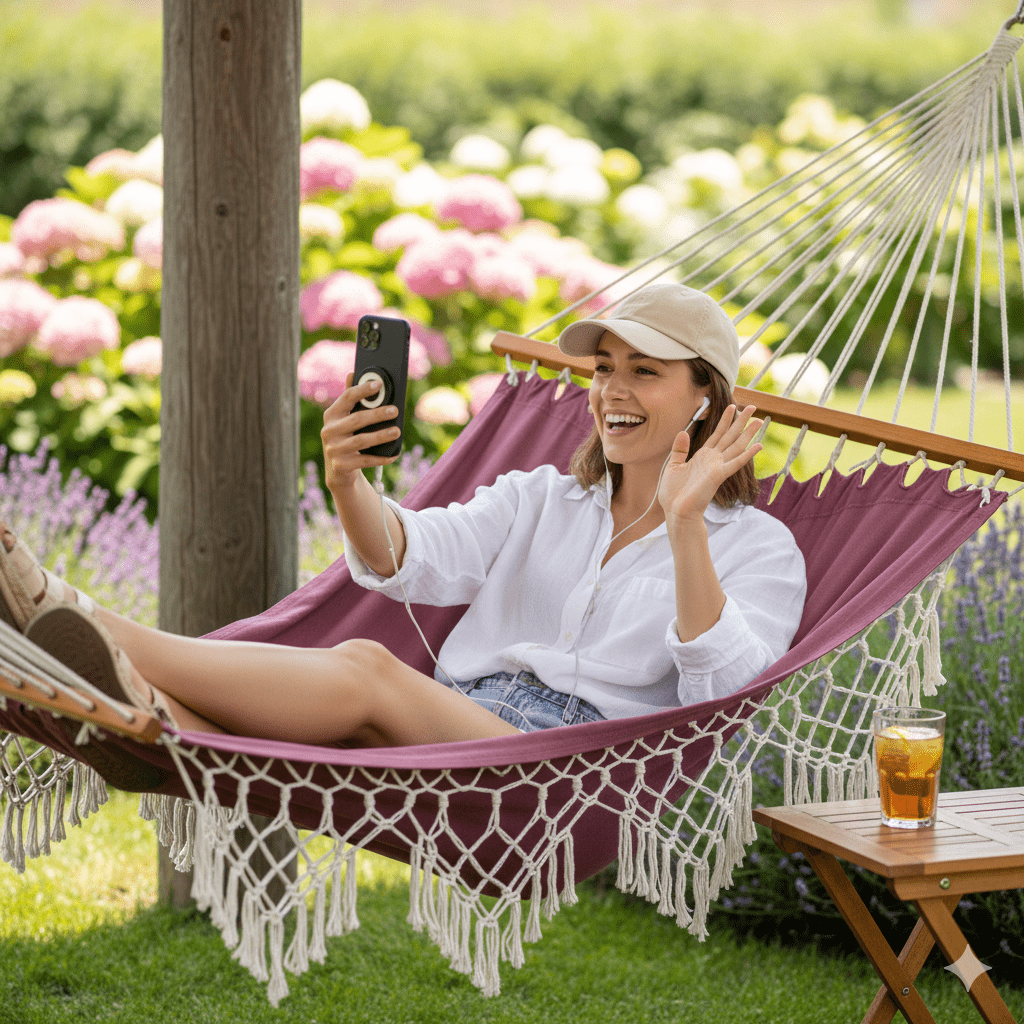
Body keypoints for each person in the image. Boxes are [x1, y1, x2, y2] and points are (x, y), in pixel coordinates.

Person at [0, 283, 806, 768]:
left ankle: (74, 617)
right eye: (603, 370)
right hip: (453, 726)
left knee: (365, 667)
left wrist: (687, 521)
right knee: (284, 717)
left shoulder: (760, 549)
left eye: (644, 372)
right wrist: (349, 481)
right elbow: (408, 557)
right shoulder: (538, 499)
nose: (612, 392)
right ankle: (148, 725)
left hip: (572, 772)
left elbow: (724, 692)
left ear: (706, 399)